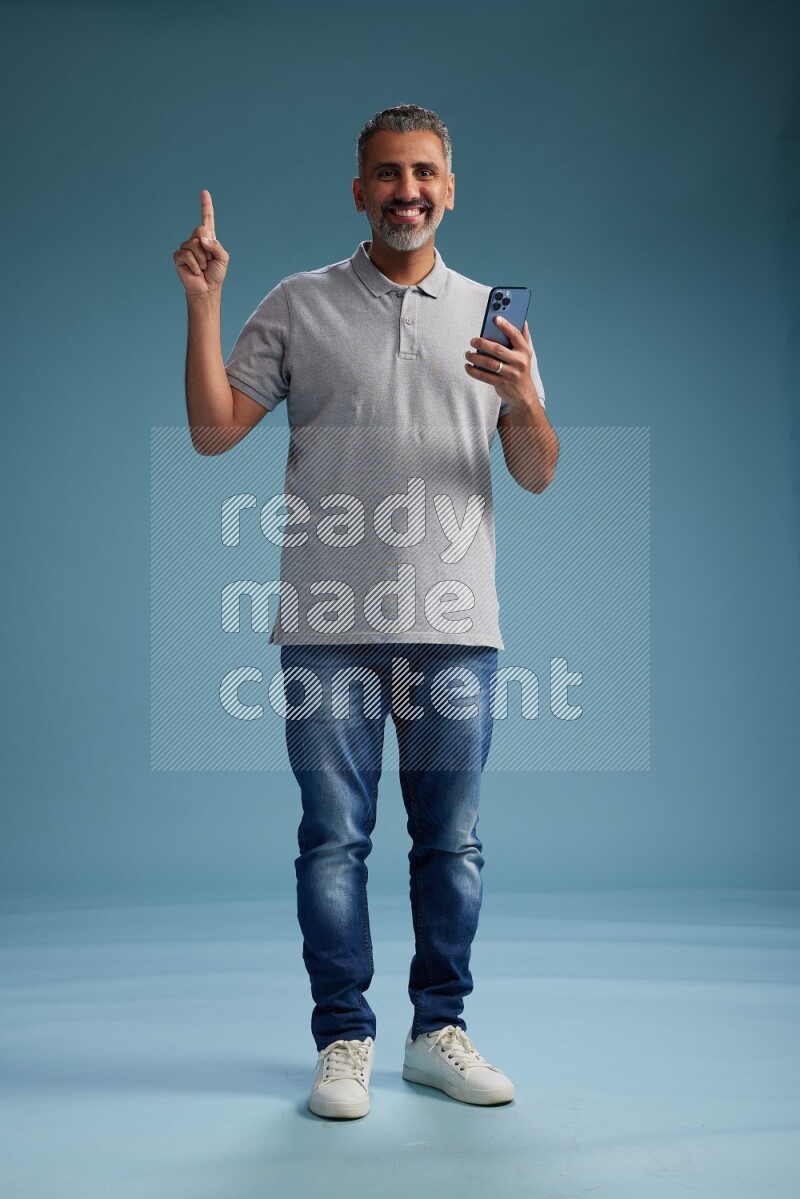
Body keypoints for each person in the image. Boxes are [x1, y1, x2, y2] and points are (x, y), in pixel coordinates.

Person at [173, 103, 559, 1120]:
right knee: (332, 841)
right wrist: (204, 302)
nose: (406, 190)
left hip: (456, 624)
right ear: (359, 190)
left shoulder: (492, 315)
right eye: (387, 174)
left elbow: (534, 473)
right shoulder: (299, 303)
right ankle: (342, 1038)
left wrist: (522, 394)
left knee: (452, 843)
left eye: (424, 172)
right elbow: (216, 434)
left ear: (449, 186)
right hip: (328, 622)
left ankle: (439, 1030)